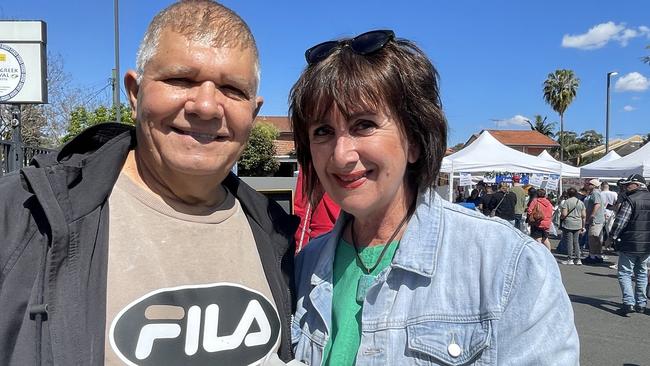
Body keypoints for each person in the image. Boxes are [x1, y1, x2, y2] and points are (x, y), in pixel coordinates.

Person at [0, 2, 299, 365]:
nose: (206, 105)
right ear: (134, 92)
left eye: (232, 89)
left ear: (252, 113)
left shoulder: (278, 235)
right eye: (181, 79)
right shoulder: (24, 218)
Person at [289, 29, 578, 365]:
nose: (341, 155)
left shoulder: (508, 266)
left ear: (414, 140)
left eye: (364, 125)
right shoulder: (306, 264)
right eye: (322, 131)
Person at [609, 174, 650, 316]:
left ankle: (628, 302)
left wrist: (611, 237)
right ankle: (641, 303)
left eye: (629, 184)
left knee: (625, 273)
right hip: (646, 245)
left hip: (629, 243)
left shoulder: (630, 200)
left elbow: (620, 222)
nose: (626, 187)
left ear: (638, 185)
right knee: (642, 273)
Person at [294, 166, 340, 252]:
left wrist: (300, 249)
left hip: (323, 239)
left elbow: (303, 209)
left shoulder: (314, 158)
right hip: (327, 239)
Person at [560, 187, 587, 265]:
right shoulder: (580, 202)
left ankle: (570, 258)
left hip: (568, 223)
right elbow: (584, 215)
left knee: (569, 241)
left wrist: (561, 218)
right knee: (576, 242)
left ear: (568, 194)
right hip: (578, 223)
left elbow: (564, 214)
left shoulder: (566, 202)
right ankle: (578, 259)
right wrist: (583, 226)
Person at [583, 178, 607, 264]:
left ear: (593, 185)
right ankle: (597, 255)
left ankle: (593, 256)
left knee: (592, 237)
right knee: (597, 238)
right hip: (599, 218)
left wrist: (592, 215)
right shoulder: (597, 193)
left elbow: (597, 204)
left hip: (596, 219)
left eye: (589, 184)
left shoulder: (595, 193)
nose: (587, 185)